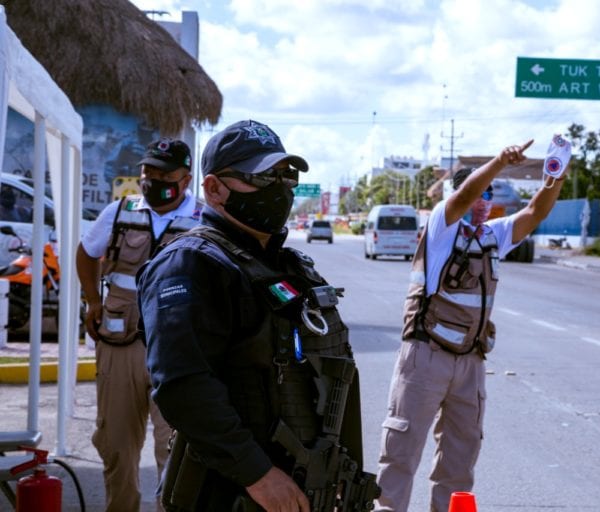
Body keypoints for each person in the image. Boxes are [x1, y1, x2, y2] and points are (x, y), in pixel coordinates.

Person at [136, 120, 378, 511]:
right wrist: (258, 475)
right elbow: (183, 387)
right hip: (230, 494)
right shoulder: (190, 264)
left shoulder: (289, 266)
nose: (279, 188)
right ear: (214, 188)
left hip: (302, 487)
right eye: (262, 177)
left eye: (286, 176)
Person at [376, 139, 569, 511]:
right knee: (401, 453)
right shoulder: (442, 227)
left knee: (460, 460)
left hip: (470, 362)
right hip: (425, 356)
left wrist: (555, 177)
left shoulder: (492, 236)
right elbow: (463, 196)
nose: (482, 202)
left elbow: (534, 212)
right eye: (479, 194)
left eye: (489, 196)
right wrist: (500, 161)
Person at [76, 137, 199, 512]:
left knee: (175, 451)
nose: (153, 180)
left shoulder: (205, 220)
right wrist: (93, 301)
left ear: (186, 179)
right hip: (121, 343)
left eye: (164, 175)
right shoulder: (119, 211)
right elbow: (86, 252)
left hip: (179, 351)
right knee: (115, 443)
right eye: (148, 172)